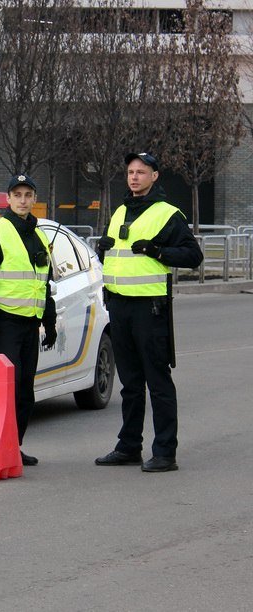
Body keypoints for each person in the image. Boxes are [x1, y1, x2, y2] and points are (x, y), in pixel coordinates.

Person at [95, 152, 203, 473]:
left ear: (154, 176)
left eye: (141, 172)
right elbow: (119, 256)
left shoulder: (167, 214)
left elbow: (193, 255)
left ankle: (165, 452)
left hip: (149, 308)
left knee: (157, 381)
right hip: (119, 305)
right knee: (129, 383)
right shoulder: (121, 211)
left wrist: (158, 250)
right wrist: (104, 248)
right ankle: (129, 446)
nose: (134, 177)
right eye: (130, 172)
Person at [0, 174, 57, 467]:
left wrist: (51, 320)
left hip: (30, 324)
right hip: (5, 323)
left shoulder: (39, 235)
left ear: (34, 199)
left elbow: (42, 282)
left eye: (27, 195)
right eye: (17, 194)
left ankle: (14, 446)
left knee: (25, 391)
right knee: (7, 390)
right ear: (7, 199)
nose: (22, 200)